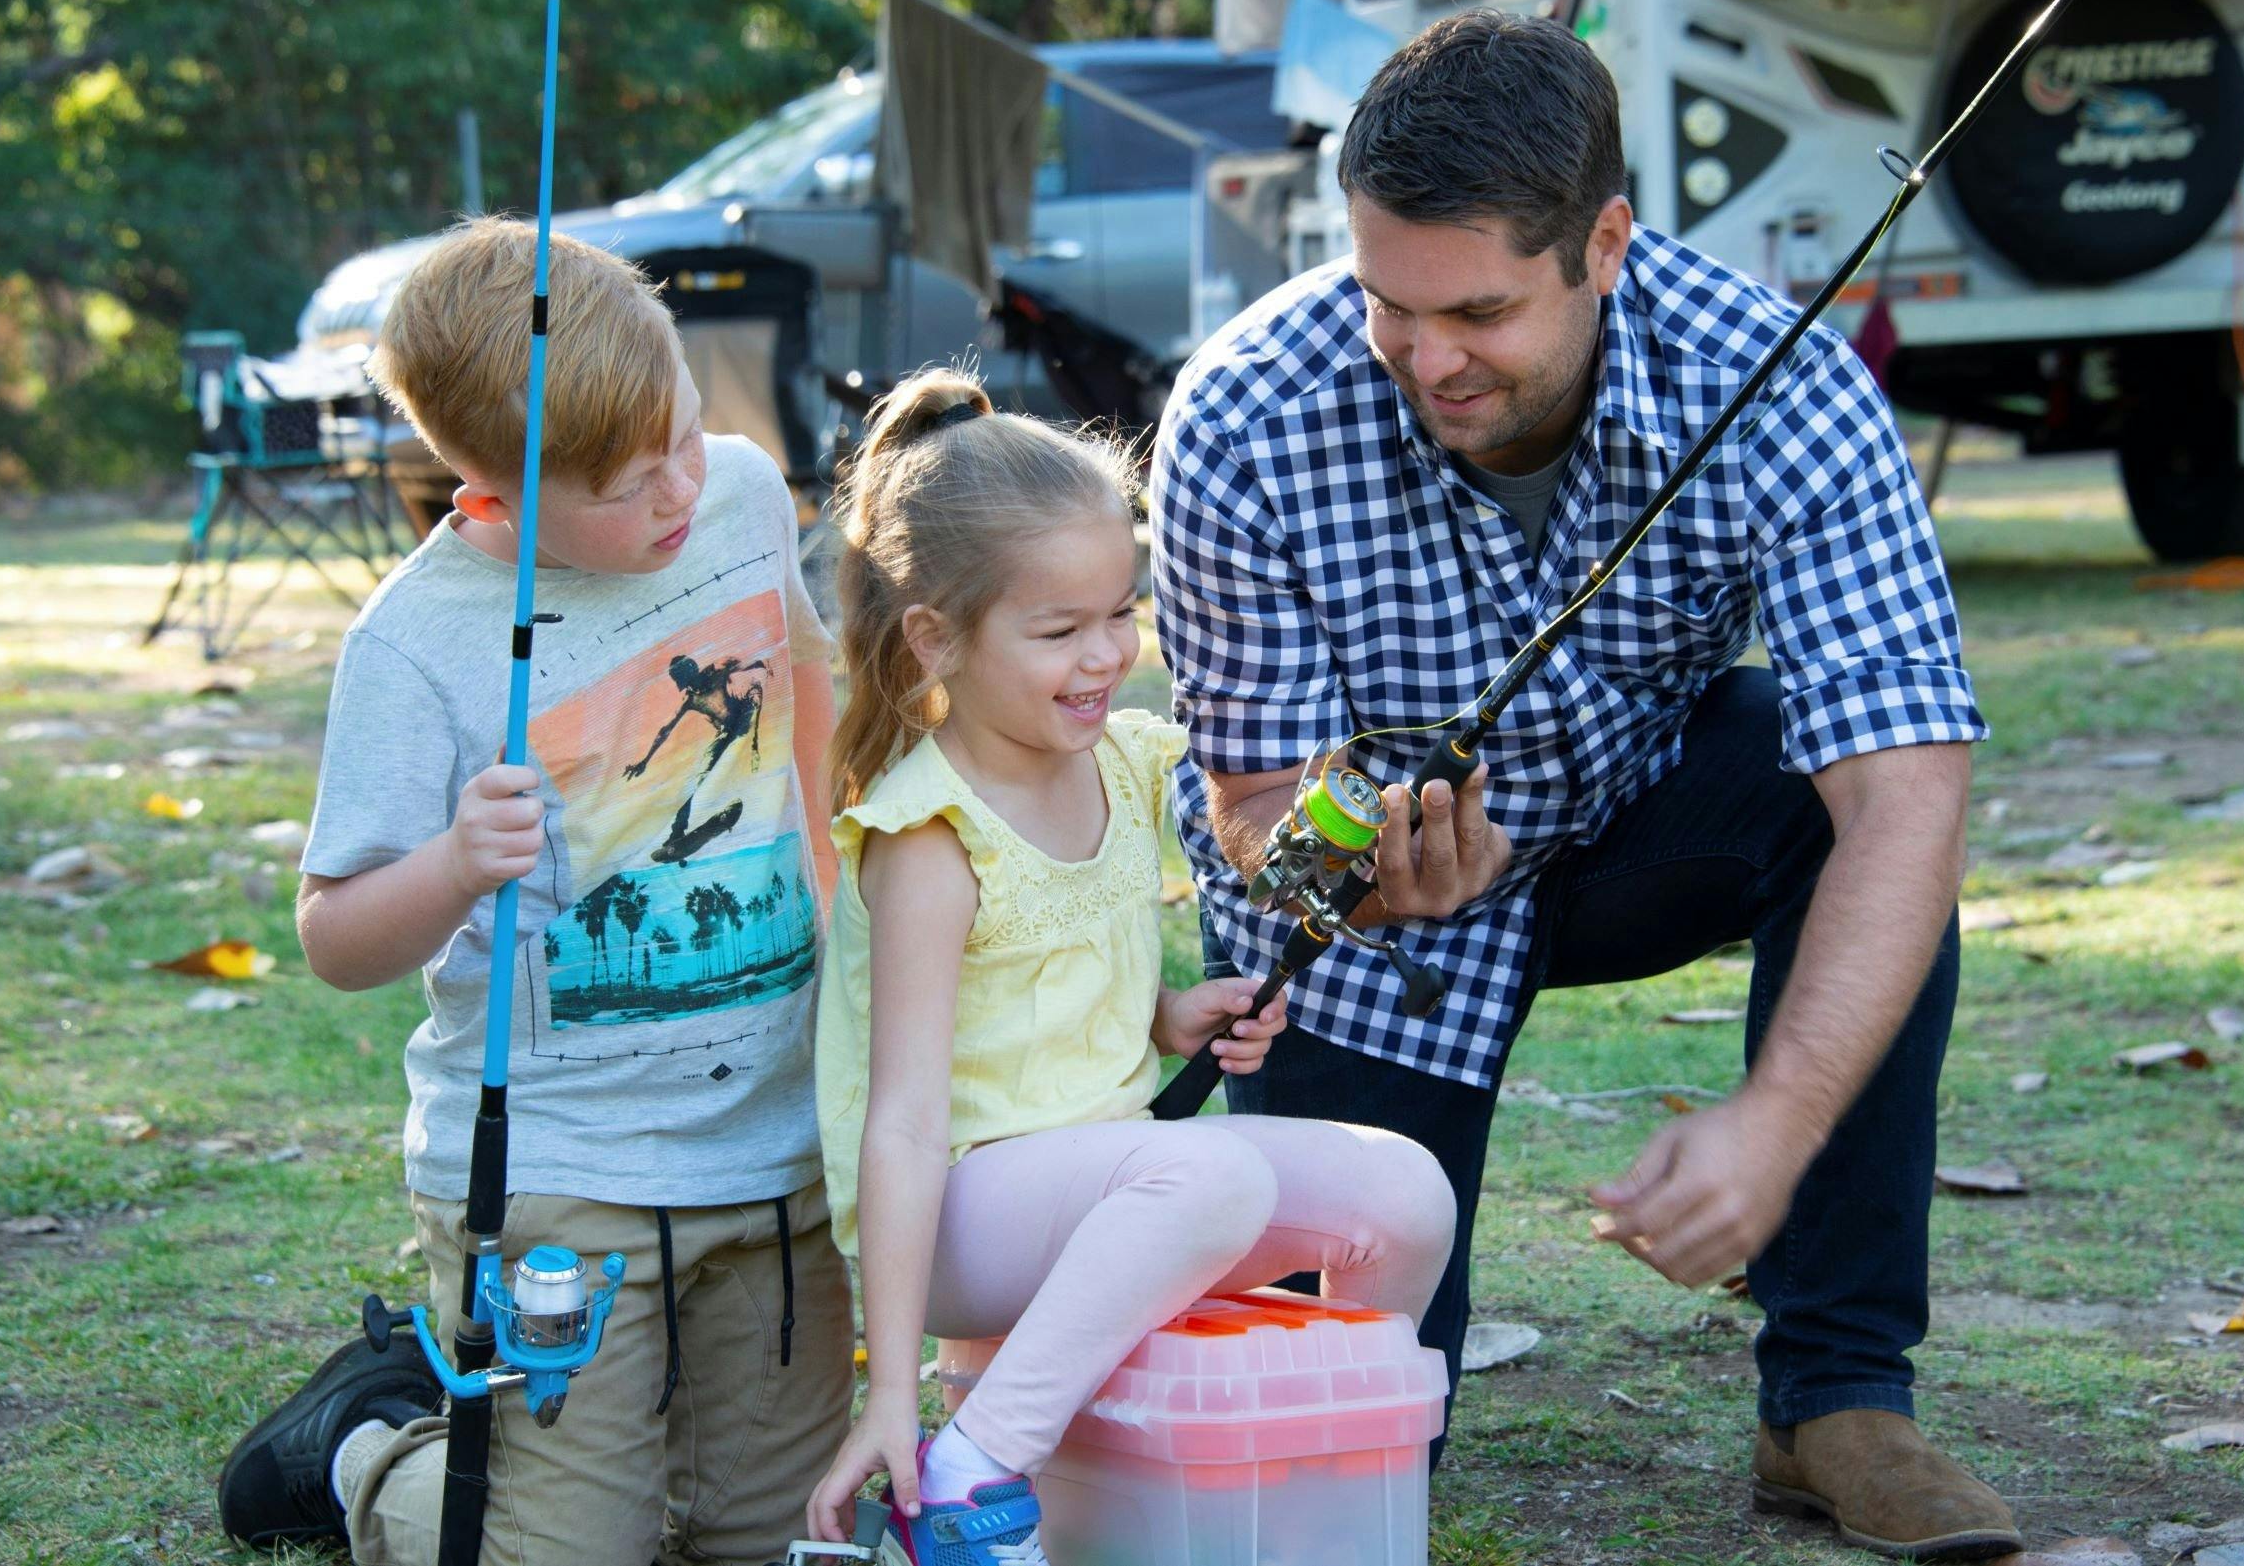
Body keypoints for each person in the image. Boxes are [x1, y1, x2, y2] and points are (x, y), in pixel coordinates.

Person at [1152, 12, 2016, 1560]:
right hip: (1360, 933)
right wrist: (1334, 863)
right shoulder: (1241, 411)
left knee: (1833, 794)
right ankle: (1345, 1371)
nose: (1425, 356)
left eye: (1478, 309)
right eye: (1385, 302)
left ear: (1604, 240)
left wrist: (1775, 1119)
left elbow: (1908, 792)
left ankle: (1837, 1396)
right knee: (1353, 1445)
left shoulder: (1785, 387)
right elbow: (1252, 795)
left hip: (1630, 826)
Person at [216, 218, 853, 1565]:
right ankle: (364, 1445)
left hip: (778, 1141)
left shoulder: (738, 490)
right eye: (629, 484)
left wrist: (839, 875)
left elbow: (804, 675)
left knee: (780, 1542)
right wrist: (452, 866)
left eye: (686, 431)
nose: (680, 488)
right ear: (488, 493)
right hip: (561, 1185)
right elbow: (334, 938)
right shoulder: (414, 645)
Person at [802, 370, 1457, 1564]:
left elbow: (1038, 993)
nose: (1107, 655)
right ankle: (962, 1469)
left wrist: (1165, 1016)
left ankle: (1308, 1466)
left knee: (1405, 1193)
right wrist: (886, 1387)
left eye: (1122, 611)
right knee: (1204, 1181)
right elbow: (899, 1122)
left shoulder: (1120, 764)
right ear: (937, 636)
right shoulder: (931, 834)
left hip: (1105, 1184)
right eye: (1059, 631)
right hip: (959, 1213)